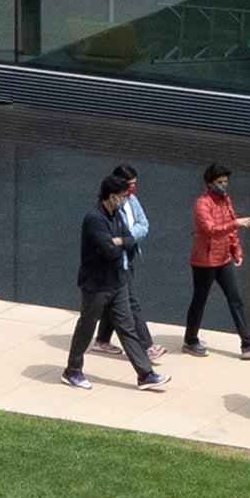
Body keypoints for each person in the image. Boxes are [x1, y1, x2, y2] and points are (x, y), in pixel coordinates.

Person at [61, 166, 161, 389]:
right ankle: (72, 371)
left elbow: (126, 238)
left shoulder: (116, 216)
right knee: (87, 326)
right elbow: (109, 250)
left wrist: (120, 241)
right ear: (112, 196)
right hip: (96, 284)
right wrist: (119, 242)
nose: (126, 199)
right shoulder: (95, 219)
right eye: (123, 196)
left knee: (127, 329)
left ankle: (145, 374)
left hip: (117, 281)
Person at [177, 168, 250, 356]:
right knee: (200, 300)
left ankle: (247, 343)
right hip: (204, 261)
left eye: (225, 181)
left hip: (223, 259)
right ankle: (190, 340)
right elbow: (210, 229)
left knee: (235, 298)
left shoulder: (225, 200)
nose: (223, 185)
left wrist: (236, 250)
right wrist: (237, 223)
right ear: (209, 183)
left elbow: (231, 230)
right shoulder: (202, 204)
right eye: (220, 181)